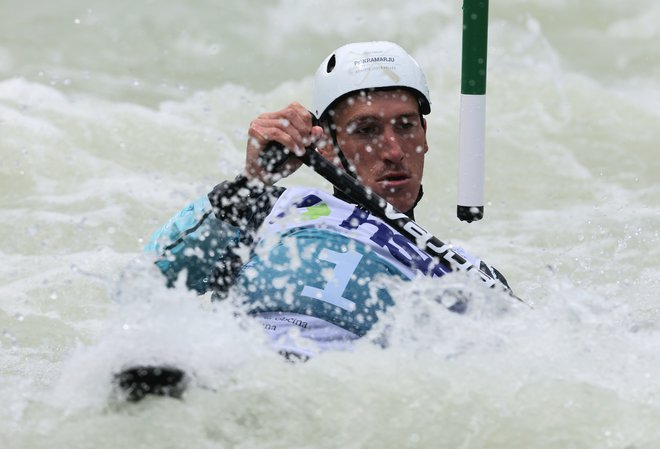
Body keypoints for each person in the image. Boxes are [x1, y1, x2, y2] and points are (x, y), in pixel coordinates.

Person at [145, 41, 509, 358]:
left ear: (424, 133)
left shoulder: (465, 275)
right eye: (366, 131)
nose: (394, 150)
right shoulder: (261, 208)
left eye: (406, 126)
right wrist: (252, 182)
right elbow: (145, 286)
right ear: (326, 146)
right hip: (245, 370)